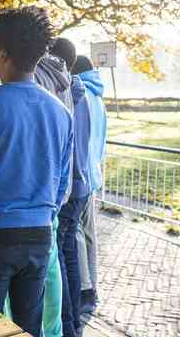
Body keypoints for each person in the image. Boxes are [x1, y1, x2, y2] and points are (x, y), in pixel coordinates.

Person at [0, 6, 72, 337]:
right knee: (29, 327)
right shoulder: (61, 113)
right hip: (39, 236)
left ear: (2, 54)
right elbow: (62, 188)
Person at [41, 37, 87, 337]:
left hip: (55, 196)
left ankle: (69, 326)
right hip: (74, 186)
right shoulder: (74, 88)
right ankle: (72, 326)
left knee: (59, 262)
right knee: (65, 259)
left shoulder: (45, 85)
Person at [71, 55, 108, 315]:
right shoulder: (100, 100)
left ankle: (84, 289)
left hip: (81, 177)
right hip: (94, 174)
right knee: (89, 235)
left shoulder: (79, 95)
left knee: (75, 234)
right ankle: (93, 284)